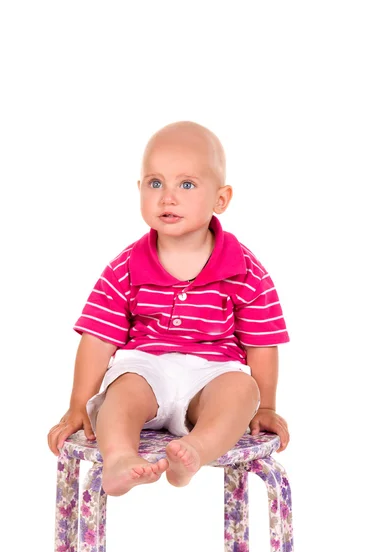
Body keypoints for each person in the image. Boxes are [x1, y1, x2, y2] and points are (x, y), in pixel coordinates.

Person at [47, 120, 290, 496]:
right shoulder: (125, 267)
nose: (167, 197)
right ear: (140, 188)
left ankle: (194, 450)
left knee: (242, 389)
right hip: (146, 366)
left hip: (213, 373)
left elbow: (262, 342)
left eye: (187, 184)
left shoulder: (245, 269)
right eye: (155, 183)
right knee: (121, 395)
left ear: (220, 200)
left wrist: (267, 406)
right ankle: (119, 458)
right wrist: (79, 404)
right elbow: (98, 339)